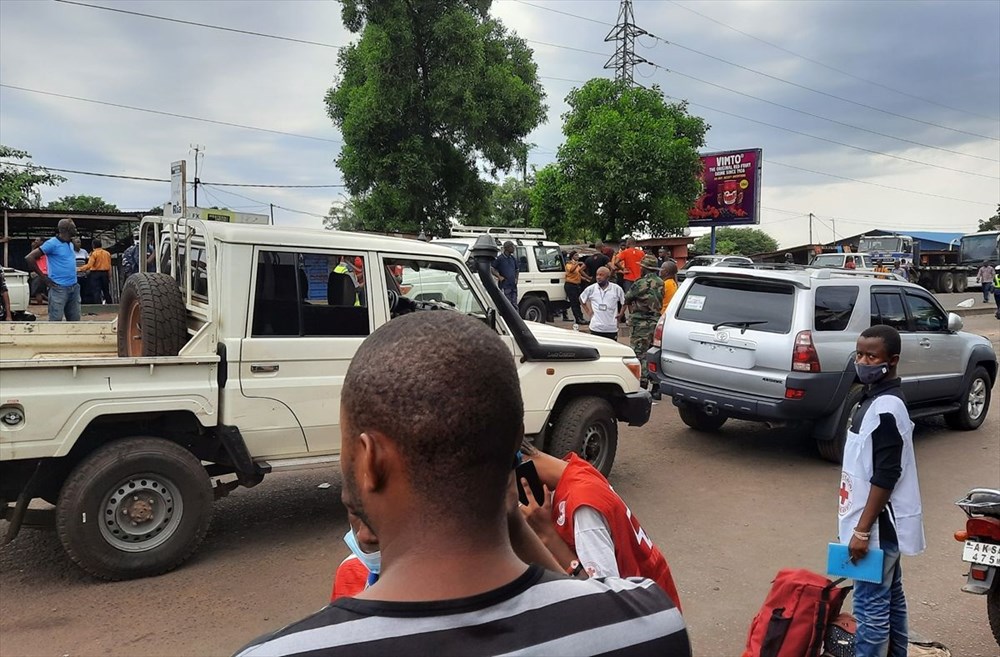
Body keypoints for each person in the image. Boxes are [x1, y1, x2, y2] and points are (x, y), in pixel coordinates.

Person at [236, 312, 690, 656]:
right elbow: (577, 598)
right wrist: (509, 511)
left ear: (370, 460)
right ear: (512, 452)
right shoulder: (647, 623)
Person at [839, 325, 924, 657]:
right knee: (891, 596)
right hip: (873, 524)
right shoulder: (871, 397)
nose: (863, 361)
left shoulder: (886, 408)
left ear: (892, 361)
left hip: (878, 527)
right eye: (859, 354)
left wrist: (862, 530)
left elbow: (887, 475)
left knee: (870, 606)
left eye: (871, 356)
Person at [517, 441, 683, 612]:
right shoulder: (575, 469)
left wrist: (548, 536)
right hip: (654, 597)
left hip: (646, 614)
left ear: (520, 469)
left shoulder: (582, 507)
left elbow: (605, 601)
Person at [25, 219, 81, 321]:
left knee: (75, 322)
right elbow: (29, 257)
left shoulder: (70, 244)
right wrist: (44, 278)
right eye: (74, 227)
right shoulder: (52, 244)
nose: (76, 230)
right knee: (55, 321)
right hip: (58, 288)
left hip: (74, 287)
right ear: (67, 229)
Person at [621, 255, 663, 388]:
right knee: (654, 352)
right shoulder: (661, 282)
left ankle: (642, 382)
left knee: (639, 353)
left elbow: (627, 298)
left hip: (641, 322)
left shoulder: (640, 283)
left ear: (645, 268)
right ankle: (656, 385)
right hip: (655, 320)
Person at [579, 266, 625, 342]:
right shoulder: (591, 288)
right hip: (596, 327)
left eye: (601, 275)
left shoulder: (616, 289)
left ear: (607, 277)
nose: (598, 277)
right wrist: (588, 311)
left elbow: (625, 302)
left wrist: (621, 314)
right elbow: (581, 299)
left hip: (611, 328)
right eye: (597, 275)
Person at [78, 238, 113, 304]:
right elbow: (109, 265)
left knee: (96, 291)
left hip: (96, 274)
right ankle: (110, 306)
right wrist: (109, 275)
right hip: (105, 273)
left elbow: (89, 265)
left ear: (93, 245)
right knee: (106, 291)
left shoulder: (94, 254)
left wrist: (79, 269)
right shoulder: (107, 253)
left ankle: (98, 307)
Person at [564, 250, 589, 325]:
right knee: (574, 303)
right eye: (576, 255)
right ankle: (578, 319)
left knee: (578, 302)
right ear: (572, 257)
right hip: (570, 285)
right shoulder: (569, 264)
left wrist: (587, 279)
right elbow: (571, 270)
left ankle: (581, 318)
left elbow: (578, 275)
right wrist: (577, 263)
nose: (577, 257)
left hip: (577, 285)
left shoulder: (576, 265)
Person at [493, 240, 519, 308]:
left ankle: (515, 318)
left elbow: (517, 269)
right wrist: (499, 276)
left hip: (513, 286)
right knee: (507, 305)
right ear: (507, 248)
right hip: (505, 285)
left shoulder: (513, 258)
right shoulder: (500, 258)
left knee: (514, 305)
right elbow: (492, 269)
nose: (513, 248)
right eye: (512, 246)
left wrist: (516, 278)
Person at [27, 238, 48, 305]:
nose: (35, 242)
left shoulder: (41, 251)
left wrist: (32, 248)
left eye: (37, 240)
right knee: (39, 291)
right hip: (43, 273)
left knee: (37, 292)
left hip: (40, 273)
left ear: (42, 242)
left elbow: (30, 258)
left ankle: (40, 304)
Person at [72, 237, 91, 304]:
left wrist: (88, 270)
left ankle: (84, 304)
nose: (79, 244)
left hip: (83, 275)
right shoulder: (71, 252)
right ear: (73, 243)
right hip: (75, 275)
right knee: (76, 291)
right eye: (77, 242)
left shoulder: (84, 251)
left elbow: (89, 262)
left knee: (84, 291)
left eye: (79, 242)